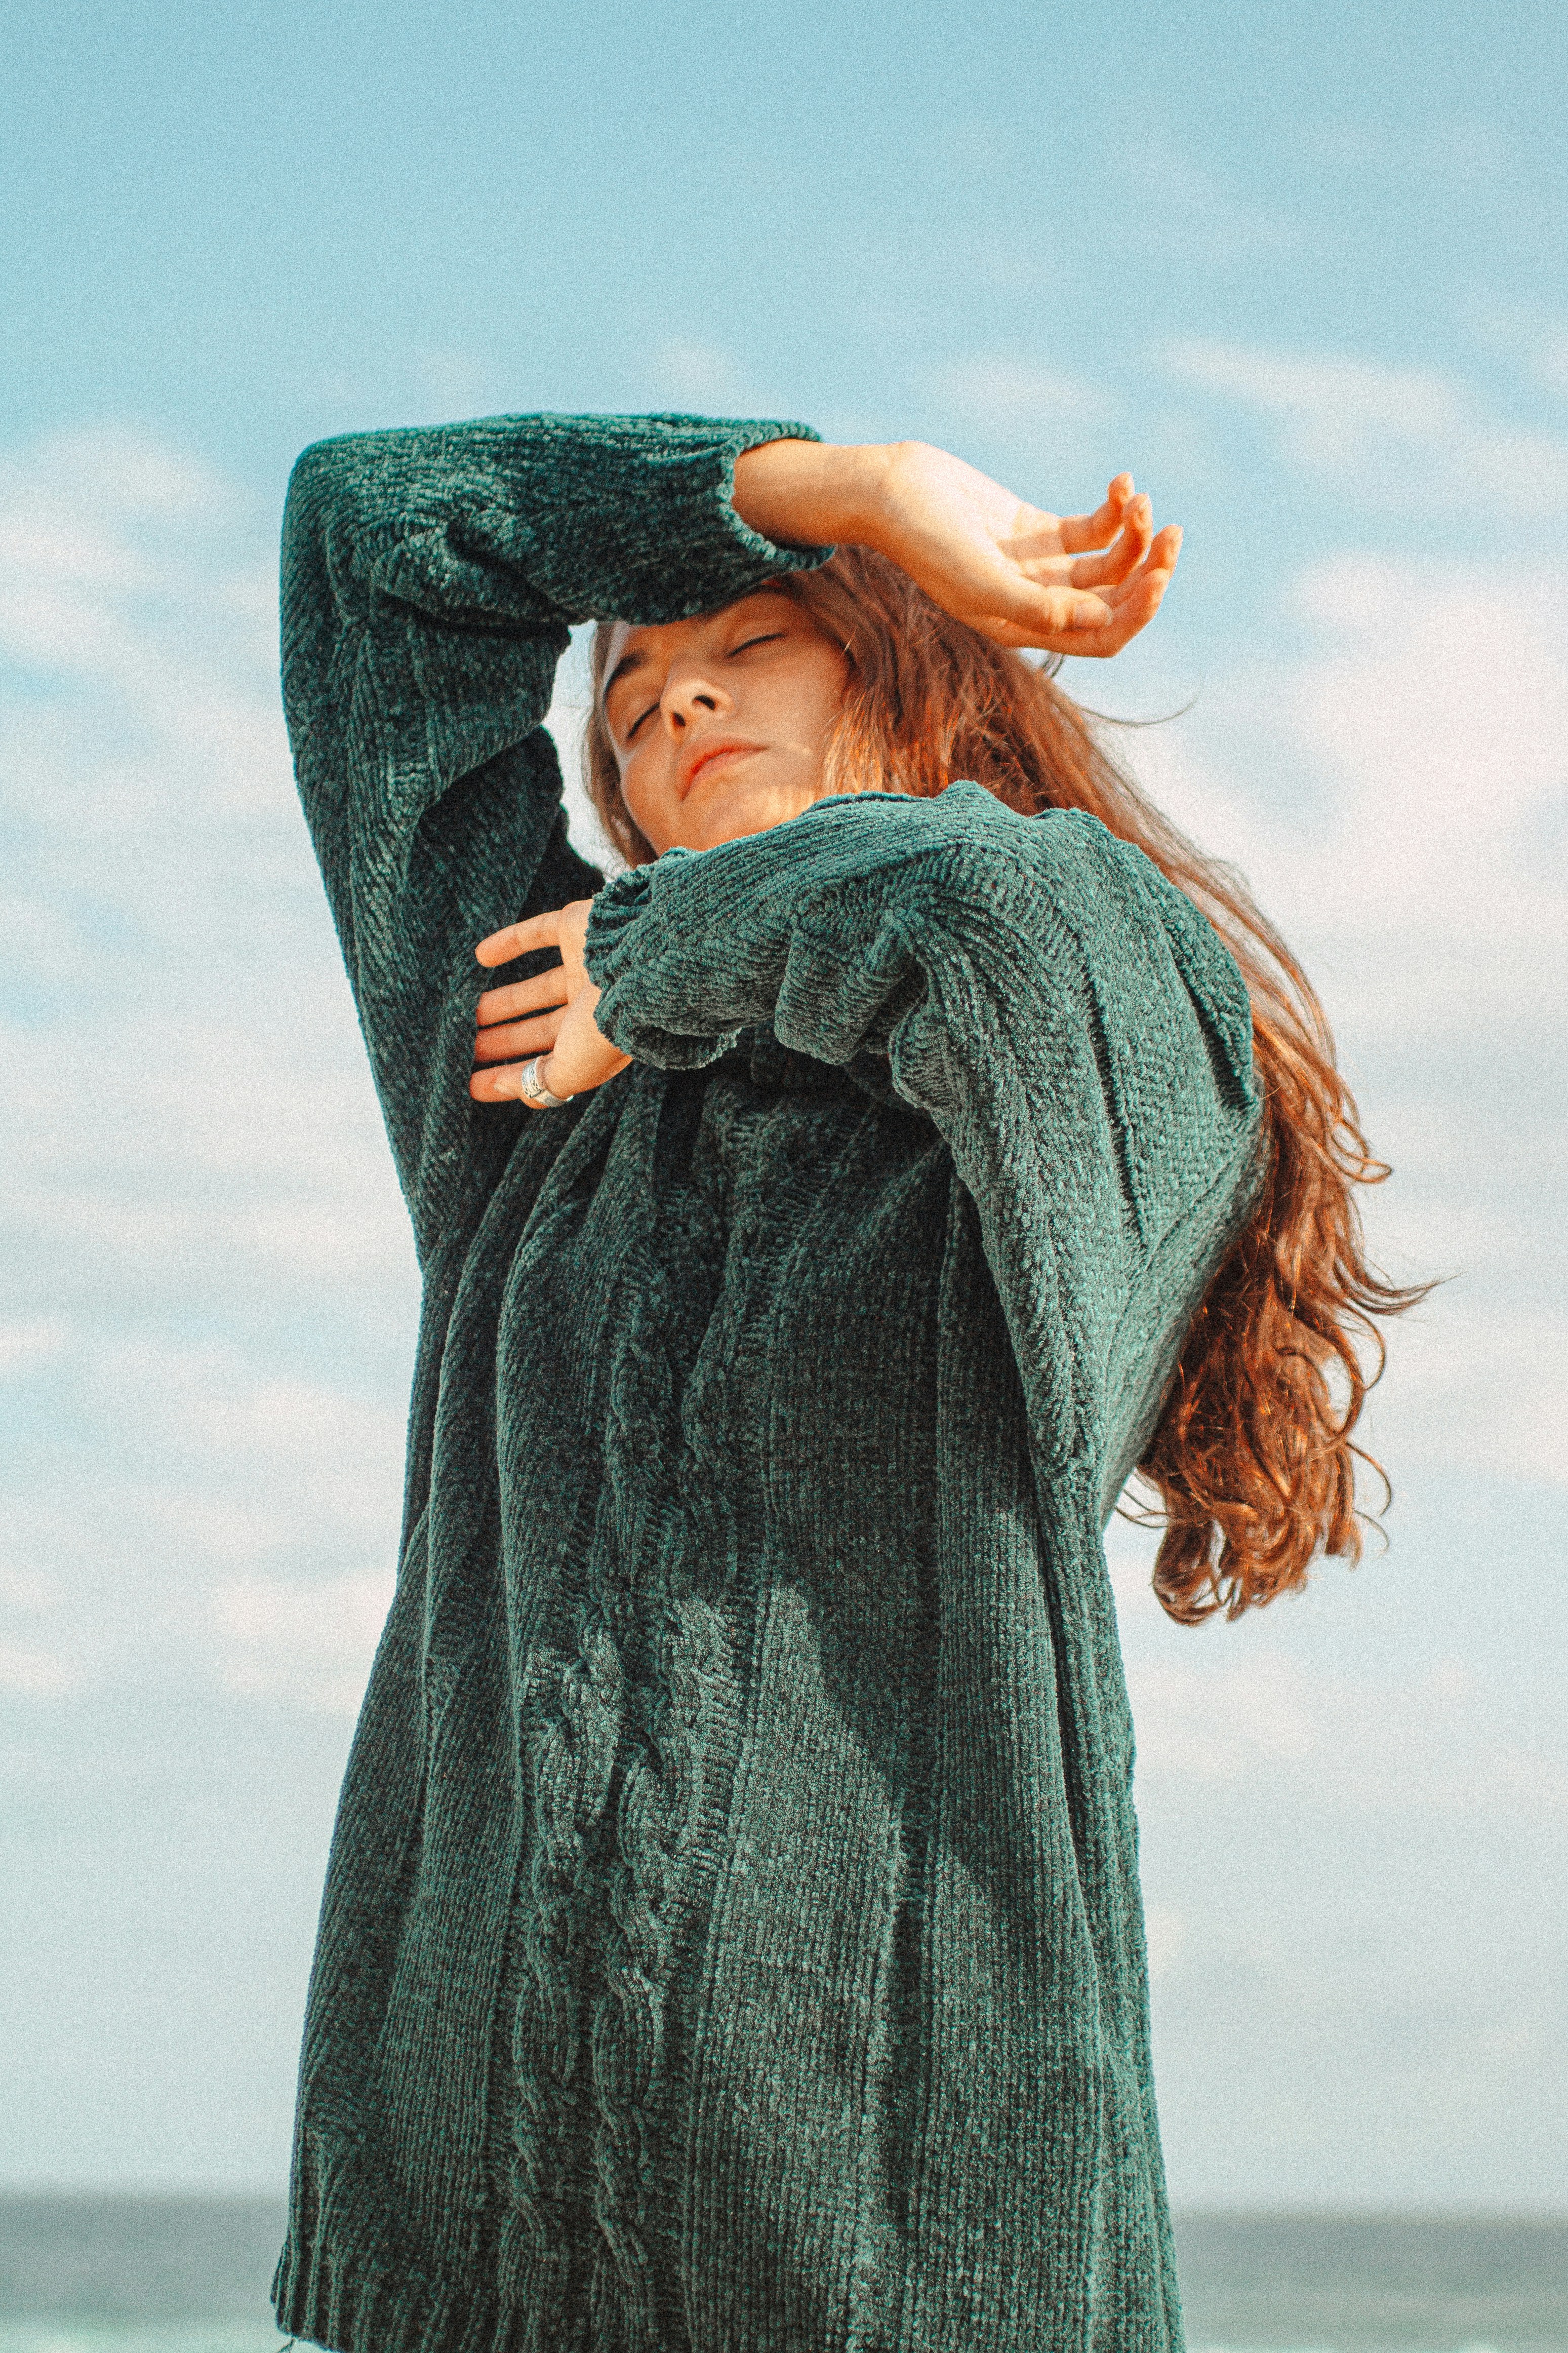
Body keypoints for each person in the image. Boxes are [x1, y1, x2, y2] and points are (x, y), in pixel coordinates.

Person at [269, 414, 1418, 2353]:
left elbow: (995, 917)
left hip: (900, 2265)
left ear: (925, 689)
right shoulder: (529, 1076)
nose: (666, 701)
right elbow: (368, 537)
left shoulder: (1086, 1025)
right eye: (621, 699)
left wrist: (658, 942)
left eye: (753, 640)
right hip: (459, 2257)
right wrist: (836, 490)